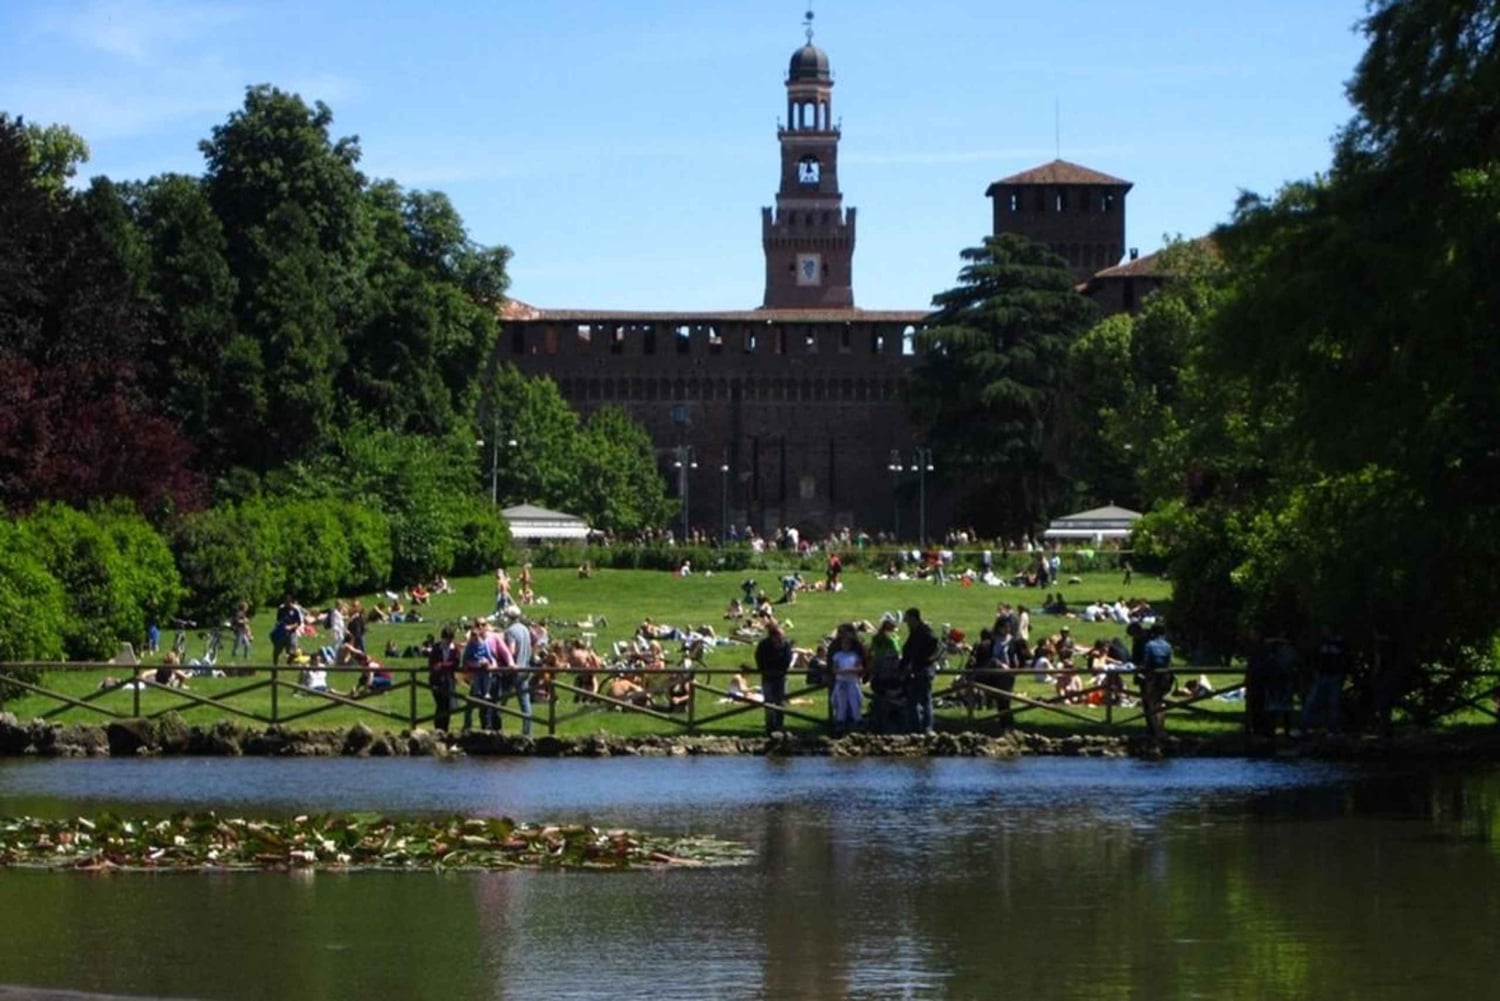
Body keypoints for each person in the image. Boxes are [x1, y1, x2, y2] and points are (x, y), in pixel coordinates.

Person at [900, 607, 940, 735]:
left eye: (907, 619)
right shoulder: (916, 631)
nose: (906, 622)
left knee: (924, 699)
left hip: (923, 669)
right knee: (913, 701)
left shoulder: (924, 632)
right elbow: (908, 651)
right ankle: (916, 728)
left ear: (913, 618)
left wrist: (927, 659)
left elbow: (934, 645)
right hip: (917, 669)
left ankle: (926, 727)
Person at [755, 621, 794, 734]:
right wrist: (765, 670)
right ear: (772, 636)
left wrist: (780, 671)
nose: (780, 639)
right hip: (767, 676)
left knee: (781, 702)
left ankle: (780, 725)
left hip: (781, 677)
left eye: (781, 636)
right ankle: (770, 726)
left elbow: (787, 659)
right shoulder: (763, 645)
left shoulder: (785, 645)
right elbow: (759, 658)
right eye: (778, 636)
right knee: (768, 702)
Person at [868, 614, 904, 733]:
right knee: (891, 699)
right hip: (889, 672)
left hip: (878, 672)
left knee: (879, 699)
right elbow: (897, 654)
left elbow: (871, 652)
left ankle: (878, 724)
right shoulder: (891, 639)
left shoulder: (876, 638)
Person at [828, 625, 868, 733]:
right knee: (841, 703)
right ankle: (840, 722)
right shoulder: (837, 655)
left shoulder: (855, 655)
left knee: (855, 701)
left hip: (853, 681)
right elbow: (834, 668)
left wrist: (848, 670)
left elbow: (860, 667)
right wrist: (847, 671)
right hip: (841, 681)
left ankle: (857, 721)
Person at [501, 607, 533, 736]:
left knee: (500, 699)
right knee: (525, 701)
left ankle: (494, 725)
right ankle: (527, 731)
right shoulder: (525, 629)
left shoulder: (510, 631)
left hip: (514, 670)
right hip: (525, 668)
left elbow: (511, 651)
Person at [1138, 624, 1174, 738]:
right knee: (1160, 702)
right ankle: (1161, 728)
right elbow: (1169, 662)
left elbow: (1145, 661)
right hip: (1165, 676)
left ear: (1153, 633)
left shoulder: (1149, 645)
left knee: (1151, 703)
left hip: (1152, 677)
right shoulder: (1168, 645)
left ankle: (1154, 729)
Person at [427, 625, 461, 732]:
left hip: (449, 680)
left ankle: (445, 728)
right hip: (436, 680)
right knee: (440, 704)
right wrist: (437, 666)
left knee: (447, 705)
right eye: (447, 639)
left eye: (451, 639)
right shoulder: (437, 648)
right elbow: (431, 662)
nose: (449, 641)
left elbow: (455, 663)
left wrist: (442, 665)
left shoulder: (455, 648)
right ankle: (438, 727)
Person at [270, 593, 305, 666]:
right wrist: (281, 626)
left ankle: (289, 662)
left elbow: (298, 622)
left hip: (291, 633)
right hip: (282, 633)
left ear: (291, 602)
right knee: (277, 651)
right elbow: (278, 620)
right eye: (285, 602)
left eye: (288, 602)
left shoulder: (295, 610)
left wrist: (291, 626)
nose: (286, 604)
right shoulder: (281, 610)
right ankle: (275, 666)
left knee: (293, 651)